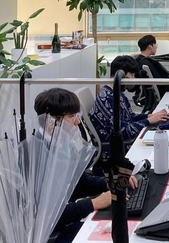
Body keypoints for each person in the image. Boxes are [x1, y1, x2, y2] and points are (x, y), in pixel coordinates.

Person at [34, 88, 138, 243]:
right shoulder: (37, 157)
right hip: (53, 233)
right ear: (51, 122)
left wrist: (110, 182)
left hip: (68, 221)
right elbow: (49, 214)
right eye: (72, 116)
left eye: (78, 115)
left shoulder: (59, 144)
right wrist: (94, 203)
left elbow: (80, 182)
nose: (78, 122)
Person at [90, 55, 169, 158]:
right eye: (132, 74)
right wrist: (148, 121)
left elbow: (130, 117)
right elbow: (123, 132)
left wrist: (149, 116)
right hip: (116, 151)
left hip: (123, 143)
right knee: (162, 145)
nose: (133, 78)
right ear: (121, 74)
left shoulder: (116, 93)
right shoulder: (109, 99)